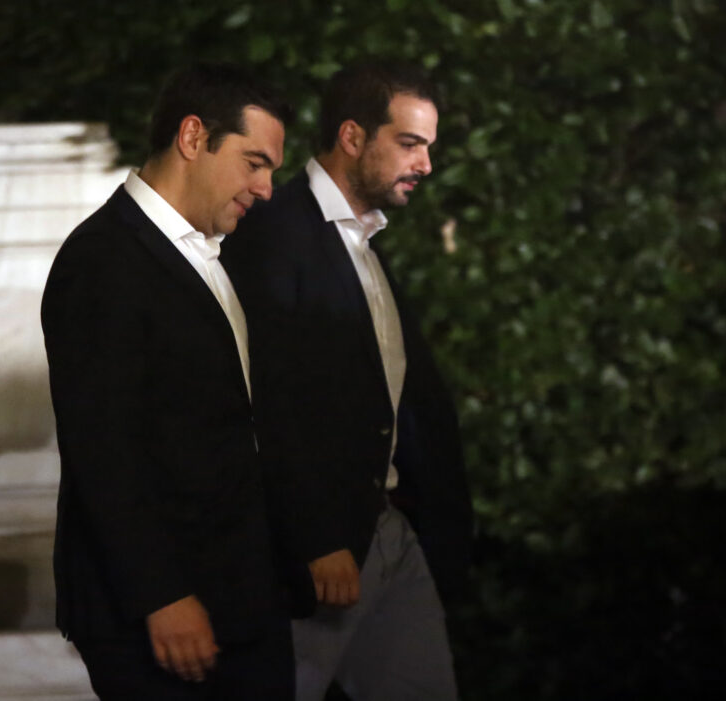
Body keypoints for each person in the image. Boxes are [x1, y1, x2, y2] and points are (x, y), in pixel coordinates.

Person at [221, 61, 473, 701]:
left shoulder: (364, 243)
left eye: (428, 147)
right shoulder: (276, 232)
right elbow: (266, 400)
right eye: (410, 144)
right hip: (318, 552)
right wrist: (315, 538)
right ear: (353, 136)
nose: (425, 165)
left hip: (389, 532)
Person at [41, 63, 293, 700]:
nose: (266, 189)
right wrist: (161, 595)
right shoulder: (102, 260)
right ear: (192, 137)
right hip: (163, 615)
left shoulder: (216, 251)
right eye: (254, 163)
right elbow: (103, 446)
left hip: (242, 598)